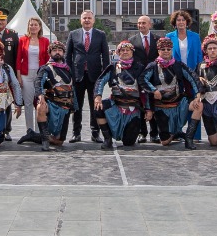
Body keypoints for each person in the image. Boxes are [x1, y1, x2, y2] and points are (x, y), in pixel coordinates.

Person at [142, 36, 198, 148]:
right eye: (163, 49)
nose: (166, 51)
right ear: (158, 51)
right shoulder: (152, 66)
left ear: (171, 50)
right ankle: (174, 133)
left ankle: (189, 137)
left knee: (198, 105)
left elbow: (193, 78)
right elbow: (142, 79)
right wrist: (154, 90)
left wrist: (198, 94)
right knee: (165, 142)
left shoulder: (178, 65)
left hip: (178, 104)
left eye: (168, 49)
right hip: (160, 107)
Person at [66, 9, 110, 143]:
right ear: (80, 20)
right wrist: (69, 75)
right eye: (84, 18)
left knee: (94, 105)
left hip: (95, 76)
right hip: (77, 76)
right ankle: (76, 133)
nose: (87, 20)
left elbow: (106, 57)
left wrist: (105, 75)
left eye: (89, 18)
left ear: (93, 20)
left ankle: (95, 133)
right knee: (77, 105)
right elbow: (68, 56)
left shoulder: (100, 35)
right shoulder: (73, 34)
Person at [94, 40, 146, 149]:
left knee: (128, 142)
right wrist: (98, 96)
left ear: (132, 52)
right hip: (116, 105)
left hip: (133, 109)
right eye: (123, 50)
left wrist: (149, 109)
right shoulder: (112, 67)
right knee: (98, 108)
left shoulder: (140, 68)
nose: (125, 52)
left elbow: (146, 89)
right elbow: (101, 81)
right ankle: (107, 138)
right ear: (118, 52)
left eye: (128, 50)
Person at [15, 15, 49, 145]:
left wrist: (46, 76)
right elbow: (18, 58)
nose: (33, 27)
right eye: (31, 24)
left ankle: (40, 131)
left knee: (39, 104)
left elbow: (47, 59)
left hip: (39, 75)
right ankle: (30, 130)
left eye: (36, 24)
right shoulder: (23, 40)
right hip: (25, 74)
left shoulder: (45, 41)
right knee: (28, 103)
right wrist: (18, 76)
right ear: (28, 26)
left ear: (40, 27)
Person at [34, 42, 75, 148]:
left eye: (60, 50)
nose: (57, 52)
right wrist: (40, 95)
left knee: (59, 141)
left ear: (63, 53)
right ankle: (44, 140)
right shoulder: (46, 68)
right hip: (51, 103)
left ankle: (32, 136)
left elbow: (72, 87)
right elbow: (38, 81)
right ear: (50, 53)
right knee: (40, 107)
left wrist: (75, 105)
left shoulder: (68, 69)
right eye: (54, 50)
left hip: (65, 106)